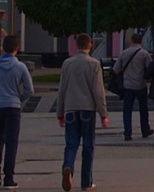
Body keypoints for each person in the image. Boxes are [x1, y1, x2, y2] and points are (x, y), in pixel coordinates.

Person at [57, 33, 108, 192]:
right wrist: (103, 113)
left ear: (76, 45)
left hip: (71, 107)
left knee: (71, 143)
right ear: (90, 45)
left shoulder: (67, 63)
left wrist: (60, 112)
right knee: (88, 145)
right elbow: (98, 91)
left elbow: (62, 89)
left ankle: (68, 167)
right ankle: (86, 182)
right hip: (87, 108)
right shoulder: (93, 64)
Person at [0, 34, 34, 190]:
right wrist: (18, 98)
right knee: (11, 142)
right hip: (13, 107)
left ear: (2, 48)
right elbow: (29, 90)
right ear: (17, 49)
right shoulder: (20, 67)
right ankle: (9, 177)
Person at [113, 32, 153, 141]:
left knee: (127, 110)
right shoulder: (144, 54)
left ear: (131, 40)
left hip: (127, 85)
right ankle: (145, 130)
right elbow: (150, 68)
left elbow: (116, 69)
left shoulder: (124, 53)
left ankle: (127, 133)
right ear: (141, 41)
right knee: (143, 109)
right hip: (141, 85)